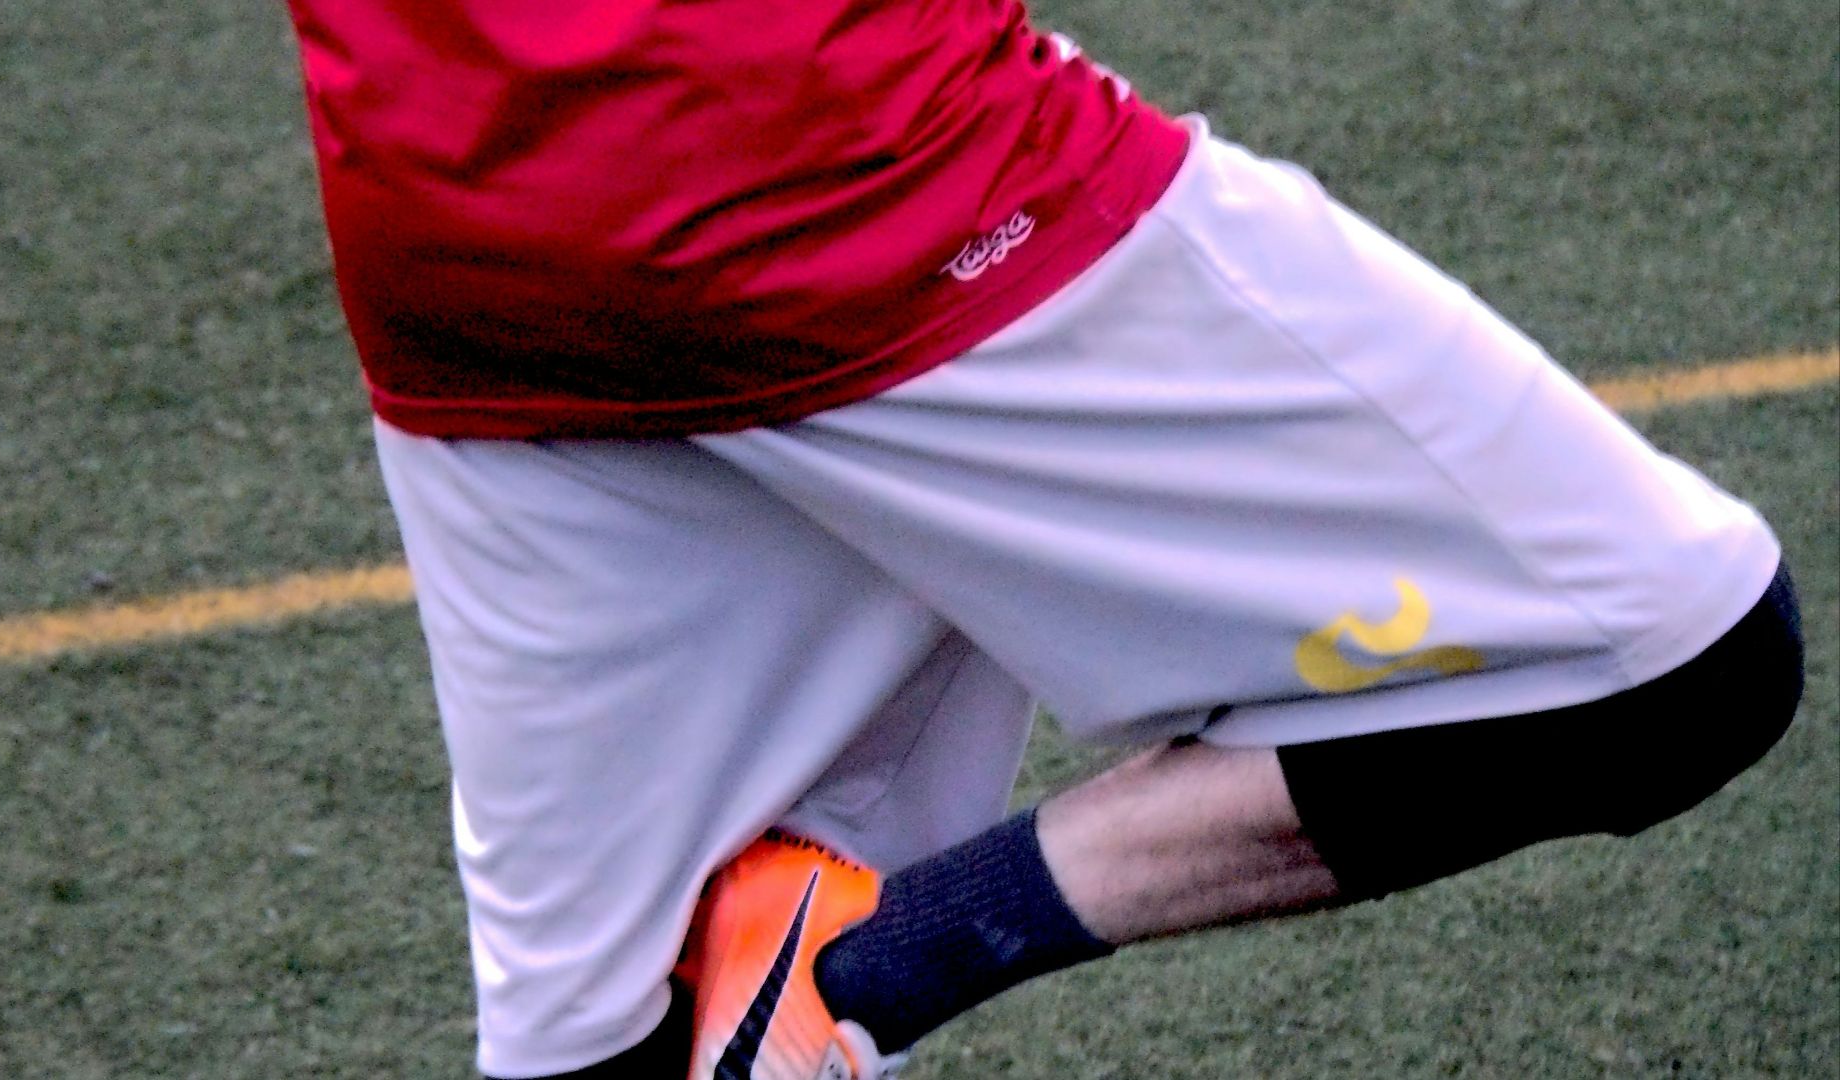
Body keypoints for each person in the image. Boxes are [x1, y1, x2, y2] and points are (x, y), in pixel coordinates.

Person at [280, 2, 1804, 1078]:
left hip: (452, 205)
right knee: (1678, 658)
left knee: (619, 1033)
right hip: (848, 163)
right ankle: (871, 967)